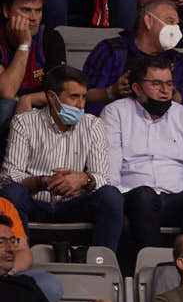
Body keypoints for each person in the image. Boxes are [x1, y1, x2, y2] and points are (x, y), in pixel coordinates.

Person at [101, 56, 183, 261]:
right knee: (144, 196)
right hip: (134, 198)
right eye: (156, 84)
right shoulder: (116, 113)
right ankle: (151, 268)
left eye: (169, 83)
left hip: (176, 198)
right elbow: (109, 170)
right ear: (137, 88)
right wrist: (118, 210)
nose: (166, 91)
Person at [0, 65, 123, 252]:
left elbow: (103, 178)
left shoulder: (93, 125)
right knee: (12, 194)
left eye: (83, 97)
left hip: (75, 206)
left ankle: (102, 264)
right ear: (52, 97)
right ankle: (18, 261)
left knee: (111, 196)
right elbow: (8, 177)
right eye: (74, 97)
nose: (81, 104)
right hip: (36, 204)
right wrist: (44, 181)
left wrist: (84, 179)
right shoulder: (24, 122)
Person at [81, 0, 183, 114]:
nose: (176, 29)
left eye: (177, 24)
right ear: (148, 21)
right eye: (170, 21)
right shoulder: (111, 50)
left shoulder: (178, 61)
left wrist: (168, 86)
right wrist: (112, 91)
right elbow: (83, 94)